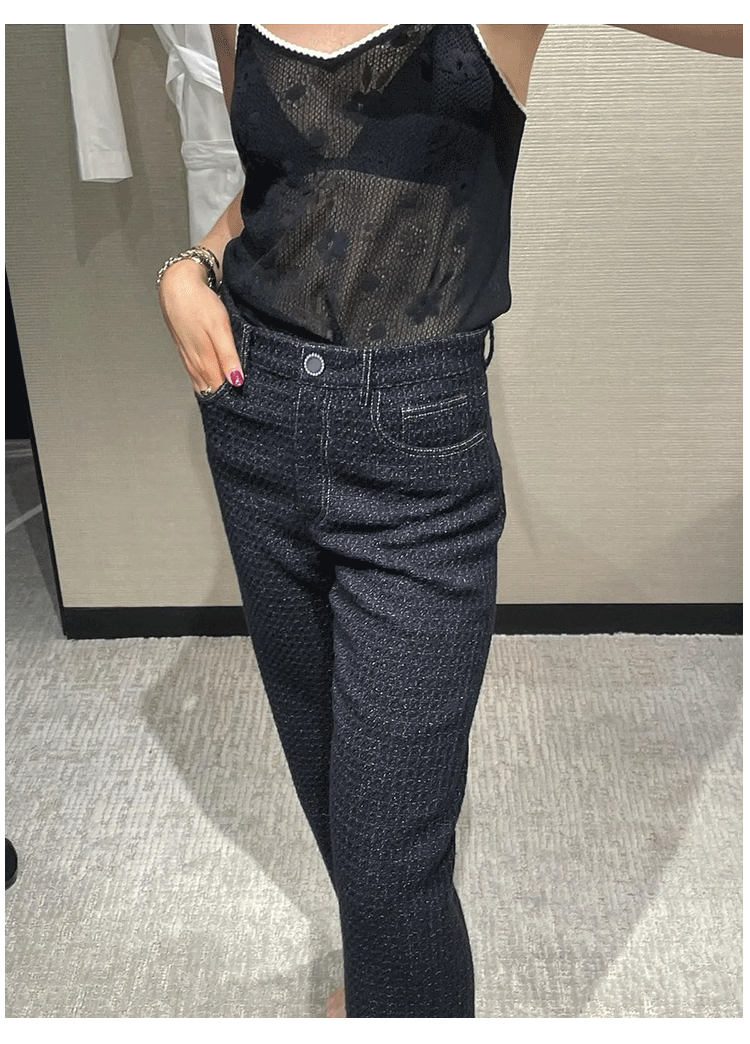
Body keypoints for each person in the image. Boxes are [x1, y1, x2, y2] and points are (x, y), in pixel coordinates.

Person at [156, 23, 741, 1020]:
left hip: (416, 457)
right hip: (254, 420)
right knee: (330, 790)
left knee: (392, 855)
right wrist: (189, 268)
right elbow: (278, 187)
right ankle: (383, 985)